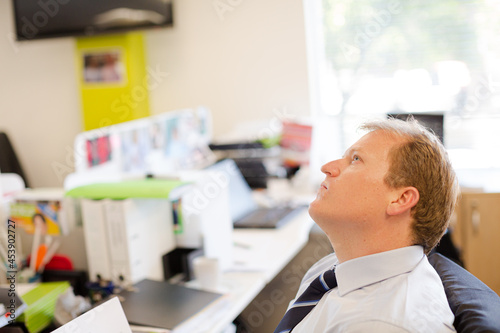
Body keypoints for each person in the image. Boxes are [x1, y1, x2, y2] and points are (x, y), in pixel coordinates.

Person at [274, 118, 459, 332]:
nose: (327, 168)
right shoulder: (333, 267)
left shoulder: (383, 325)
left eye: (355, 159)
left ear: (400, 199)